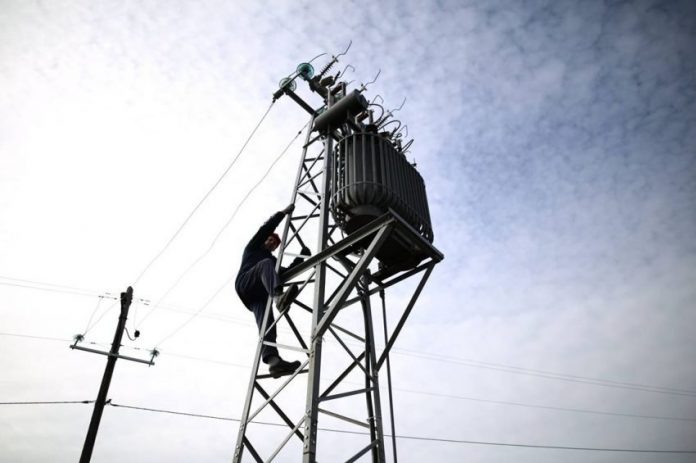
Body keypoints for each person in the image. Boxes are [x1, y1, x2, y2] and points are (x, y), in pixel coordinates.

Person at [235, 204, 309, 378]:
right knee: (266, 265)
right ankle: (278, 297)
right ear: (264, 240)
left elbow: (285, 272)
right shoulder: (253, 248)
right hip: (245, 283)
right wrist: (281, 214)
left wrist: (301, 257)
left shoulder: (272, 262)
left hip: (258, 296)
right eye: (270, 240)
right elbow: (265, 229)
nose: (272, 243)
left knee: (267, 324)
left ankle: (273, 361)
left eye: (275, 243)